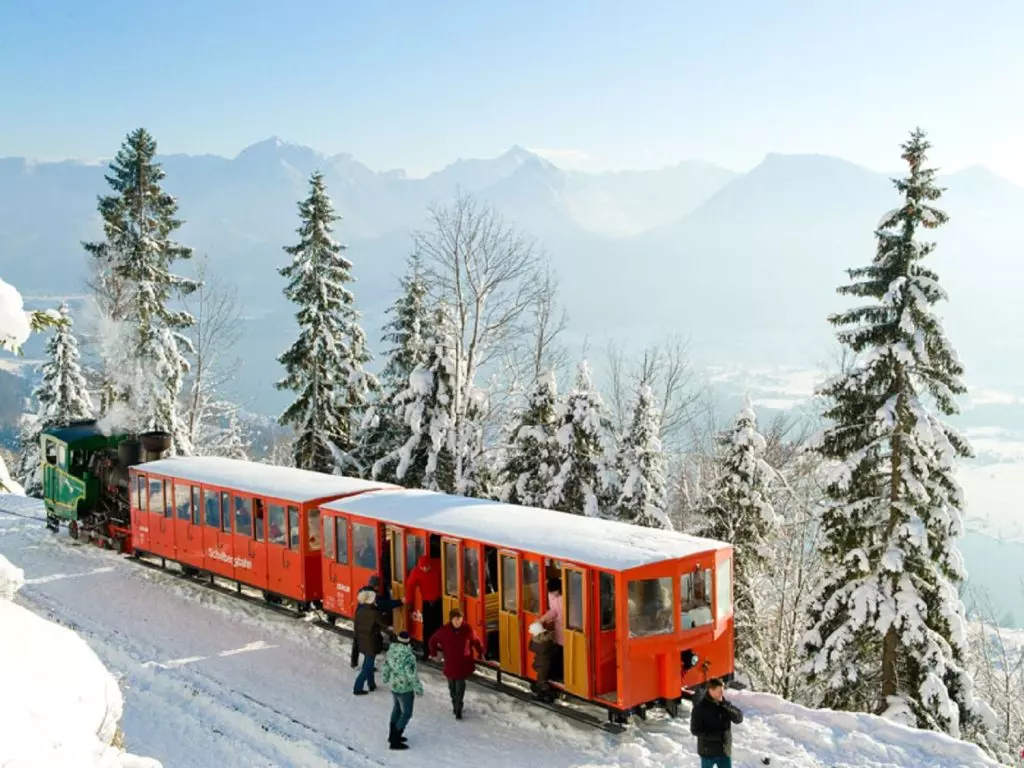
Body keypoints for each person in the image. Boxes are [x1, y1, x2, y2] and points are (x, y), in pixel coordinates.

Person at [427, 608, 484, 719]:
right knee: (452, 686)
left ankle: (458, 707)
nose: (458, 622)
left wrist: (481, 652)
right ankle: (455, 703)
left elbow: (476, 641)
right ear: (451, 620)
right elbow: (432, 640)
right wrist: (433, 653)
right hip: (450, 664)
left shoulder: (467, 629)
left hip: (463, 663)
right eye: (456, 619)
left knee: (460, 687)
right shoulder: (444, 631)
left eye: (460, 619)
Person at [381, 631, 424, 750]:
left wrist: (385, 678)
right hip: (405, 688)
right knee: (406, 713)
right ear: (408, 642)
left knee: (397, 709)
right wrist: (418, 688)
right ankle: (395, 740)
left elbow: (385, 666)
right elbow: (412, 675)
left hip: (394, 685)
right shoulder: (409, 657)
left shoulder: (391, 651)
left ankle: (392, 735)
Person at [689, 678, 743, 768]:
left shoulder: (725, 704)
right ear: (711, 690)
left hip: (724, 751)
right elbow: (695, 730)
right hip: (707, 752)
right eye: (719, 691)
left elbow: (739, 718)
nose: (722, 694)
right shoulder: (700, 708)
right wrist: (716, 736)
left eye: (722, 691)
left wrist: (724, 707)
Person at [350, 576, 403, 669]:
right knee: (369, 644)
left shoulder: (363, 592)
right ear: (376, 586)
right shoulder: (373, 596)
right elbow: (386, 604)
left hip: (359, 619)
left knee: (357, 640)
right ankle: (367, 668)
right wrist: (400, 601)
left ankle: (354, 662)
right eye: (378, 585)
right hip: (368, 622)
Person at [353, 586, 390, 695]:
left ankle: (371, 684)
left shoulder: (360, 610)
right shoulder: (374, 613)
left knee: (368, 663)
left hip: (362, 641)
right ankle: (357, 687)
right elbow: (385, 624)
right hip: (371, 642)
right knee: (368, 667)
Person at [405, 549, 442, 652]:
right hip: (427, 602)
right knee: (428, 627)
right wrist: (409, 601)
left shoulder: (438, 564)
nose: (425, 569)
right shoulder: (416, 572)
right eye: (423, 567)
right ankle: (427, 650)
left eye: (427, 567)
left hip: (439, 600)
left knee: (439, 624)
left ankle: (438, 647)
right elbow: (410, 587)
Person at [538, 577, 564, 681]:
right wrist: (543, 619)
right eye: (551, 592)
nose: (553, 594)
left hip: (569, 628)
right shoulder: (552, 596)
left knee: (562, 652)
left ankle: (561, 674)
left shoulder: (567, 596)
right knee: (560, 651)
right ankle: (559, 674)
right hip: (560, 628)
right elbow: (554, 611)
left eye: (555, 591)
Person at [528, 621, 555, 703]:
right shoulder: (547, 640)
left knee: (542, 681)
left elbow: (531, 647)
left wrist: (532, 639)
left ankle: (546, 695)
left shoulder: (540, 645)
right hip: (544, 663)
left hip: (542, 665)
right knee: (541, 679)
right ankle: (543, 693)